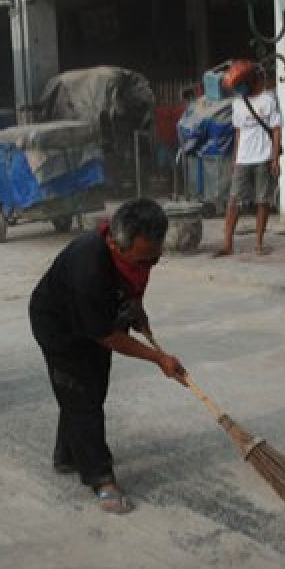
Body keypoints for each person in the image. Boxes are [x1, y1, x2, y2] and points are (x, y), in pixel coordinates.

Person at [29, 199, 187, 515]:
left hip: (96, 319)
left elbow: (130, 289)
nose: (147, 267)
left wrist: (136, 310)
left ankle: (68, 455)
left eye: (153, 261)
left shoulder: (137, 256)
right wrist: (159, 358)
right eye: (141, 261)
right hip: (59, 327)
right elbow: (106, 336)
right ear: (115, 244)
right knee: (81, 393)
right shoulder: (88, 267)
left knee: (92, 388)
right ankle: (100, 476)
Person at [216, 61, 283, 257]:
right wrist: (235, 160)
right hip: (243, 160)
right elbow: (238, 134)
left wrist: (275, 159)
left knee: (263, 202)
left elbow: (277, 131)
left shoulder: (269, 100)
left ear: (253, 81)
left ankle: (259, 245)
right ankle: (227, 245)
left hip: (263, 158)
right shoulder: (238, 103)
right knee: (233, 201)